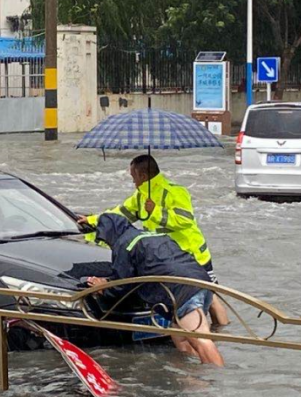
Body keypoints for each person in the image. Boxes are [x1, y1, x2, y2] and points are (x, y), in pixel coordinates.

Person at [78, 154, 229, 326]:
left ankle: (222, 332)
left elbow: (184, 220)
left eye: (133, 177)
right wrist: (93, 220)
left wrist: (155, 210)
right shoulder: (141, 195)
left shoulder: (175, 191)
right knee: (181, 298)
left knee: (210, 297)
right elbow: (121, 214)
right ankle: (189, 331)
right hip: (167, 257)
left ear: (142, 176)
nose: (133, 181)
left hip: (192, 255)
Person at [85, 213, 224, 366]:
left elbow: (122, 284)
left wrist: (103, 288)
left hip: (182, 290)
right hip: (201, 280)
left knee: (201, 339)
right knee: (180, 337)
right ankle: (193, 380)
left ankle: (219, 382)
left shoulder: (124, 243)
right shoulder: (150, 235)